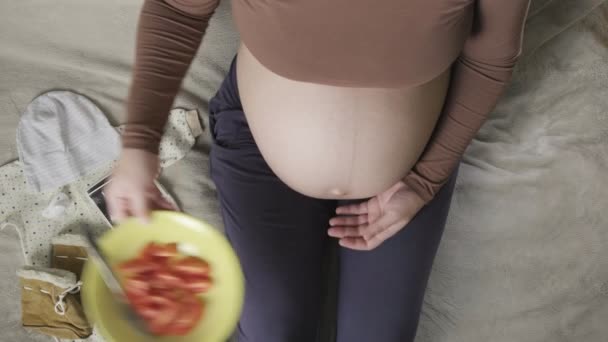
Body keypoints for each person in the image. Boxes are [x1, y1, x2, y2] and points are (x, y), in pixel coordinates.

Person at [106, 1, 531, 341]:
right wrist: (140, 142)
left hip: (411, 167)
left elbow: (488, 60)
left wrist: (425, 181)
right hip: (259, 139)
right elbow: (179, 9)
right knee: (271, 332)